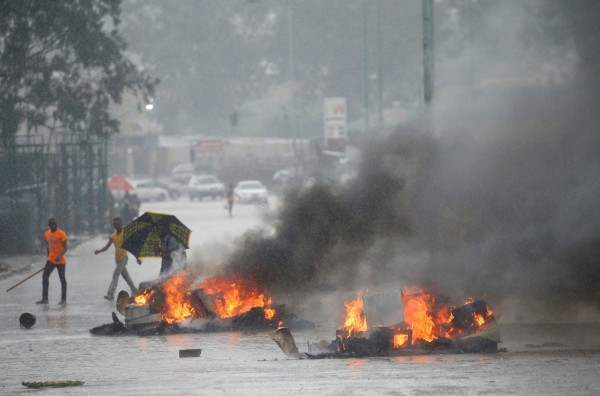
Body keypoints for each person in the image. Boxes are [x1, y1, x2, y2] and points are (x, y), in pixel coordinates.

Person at [94, 217, 141, 301]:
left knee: (115, 274)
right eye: (115, 225)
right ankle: (134, 289)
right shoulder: (113, 236)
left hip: (123, 258)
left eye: (118, 224)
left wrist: (137, 257)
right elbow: (107, 247)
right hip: (117, 259)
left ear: (121, 224)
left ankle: (110, 294)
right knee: (125, 275)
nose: (117, 226)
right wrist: (99, 251)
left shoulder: (125, 233)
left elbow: (132, 246)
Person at [37, 218, 68, 305]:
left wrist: (60, 256)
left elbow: (65, 247)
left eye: (55, 224)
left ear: (56, 225)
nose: (53, 226)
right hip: (51, 260)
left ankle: (63, 300)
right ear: (49, 225)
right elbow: (48, 246)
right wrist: (48, 257)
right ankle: (45, 298)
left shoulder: (61, 233)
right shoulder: (47, 234)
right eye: (52, 225)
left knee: (62, 280)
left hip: (61, 261)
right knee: (45, 277)